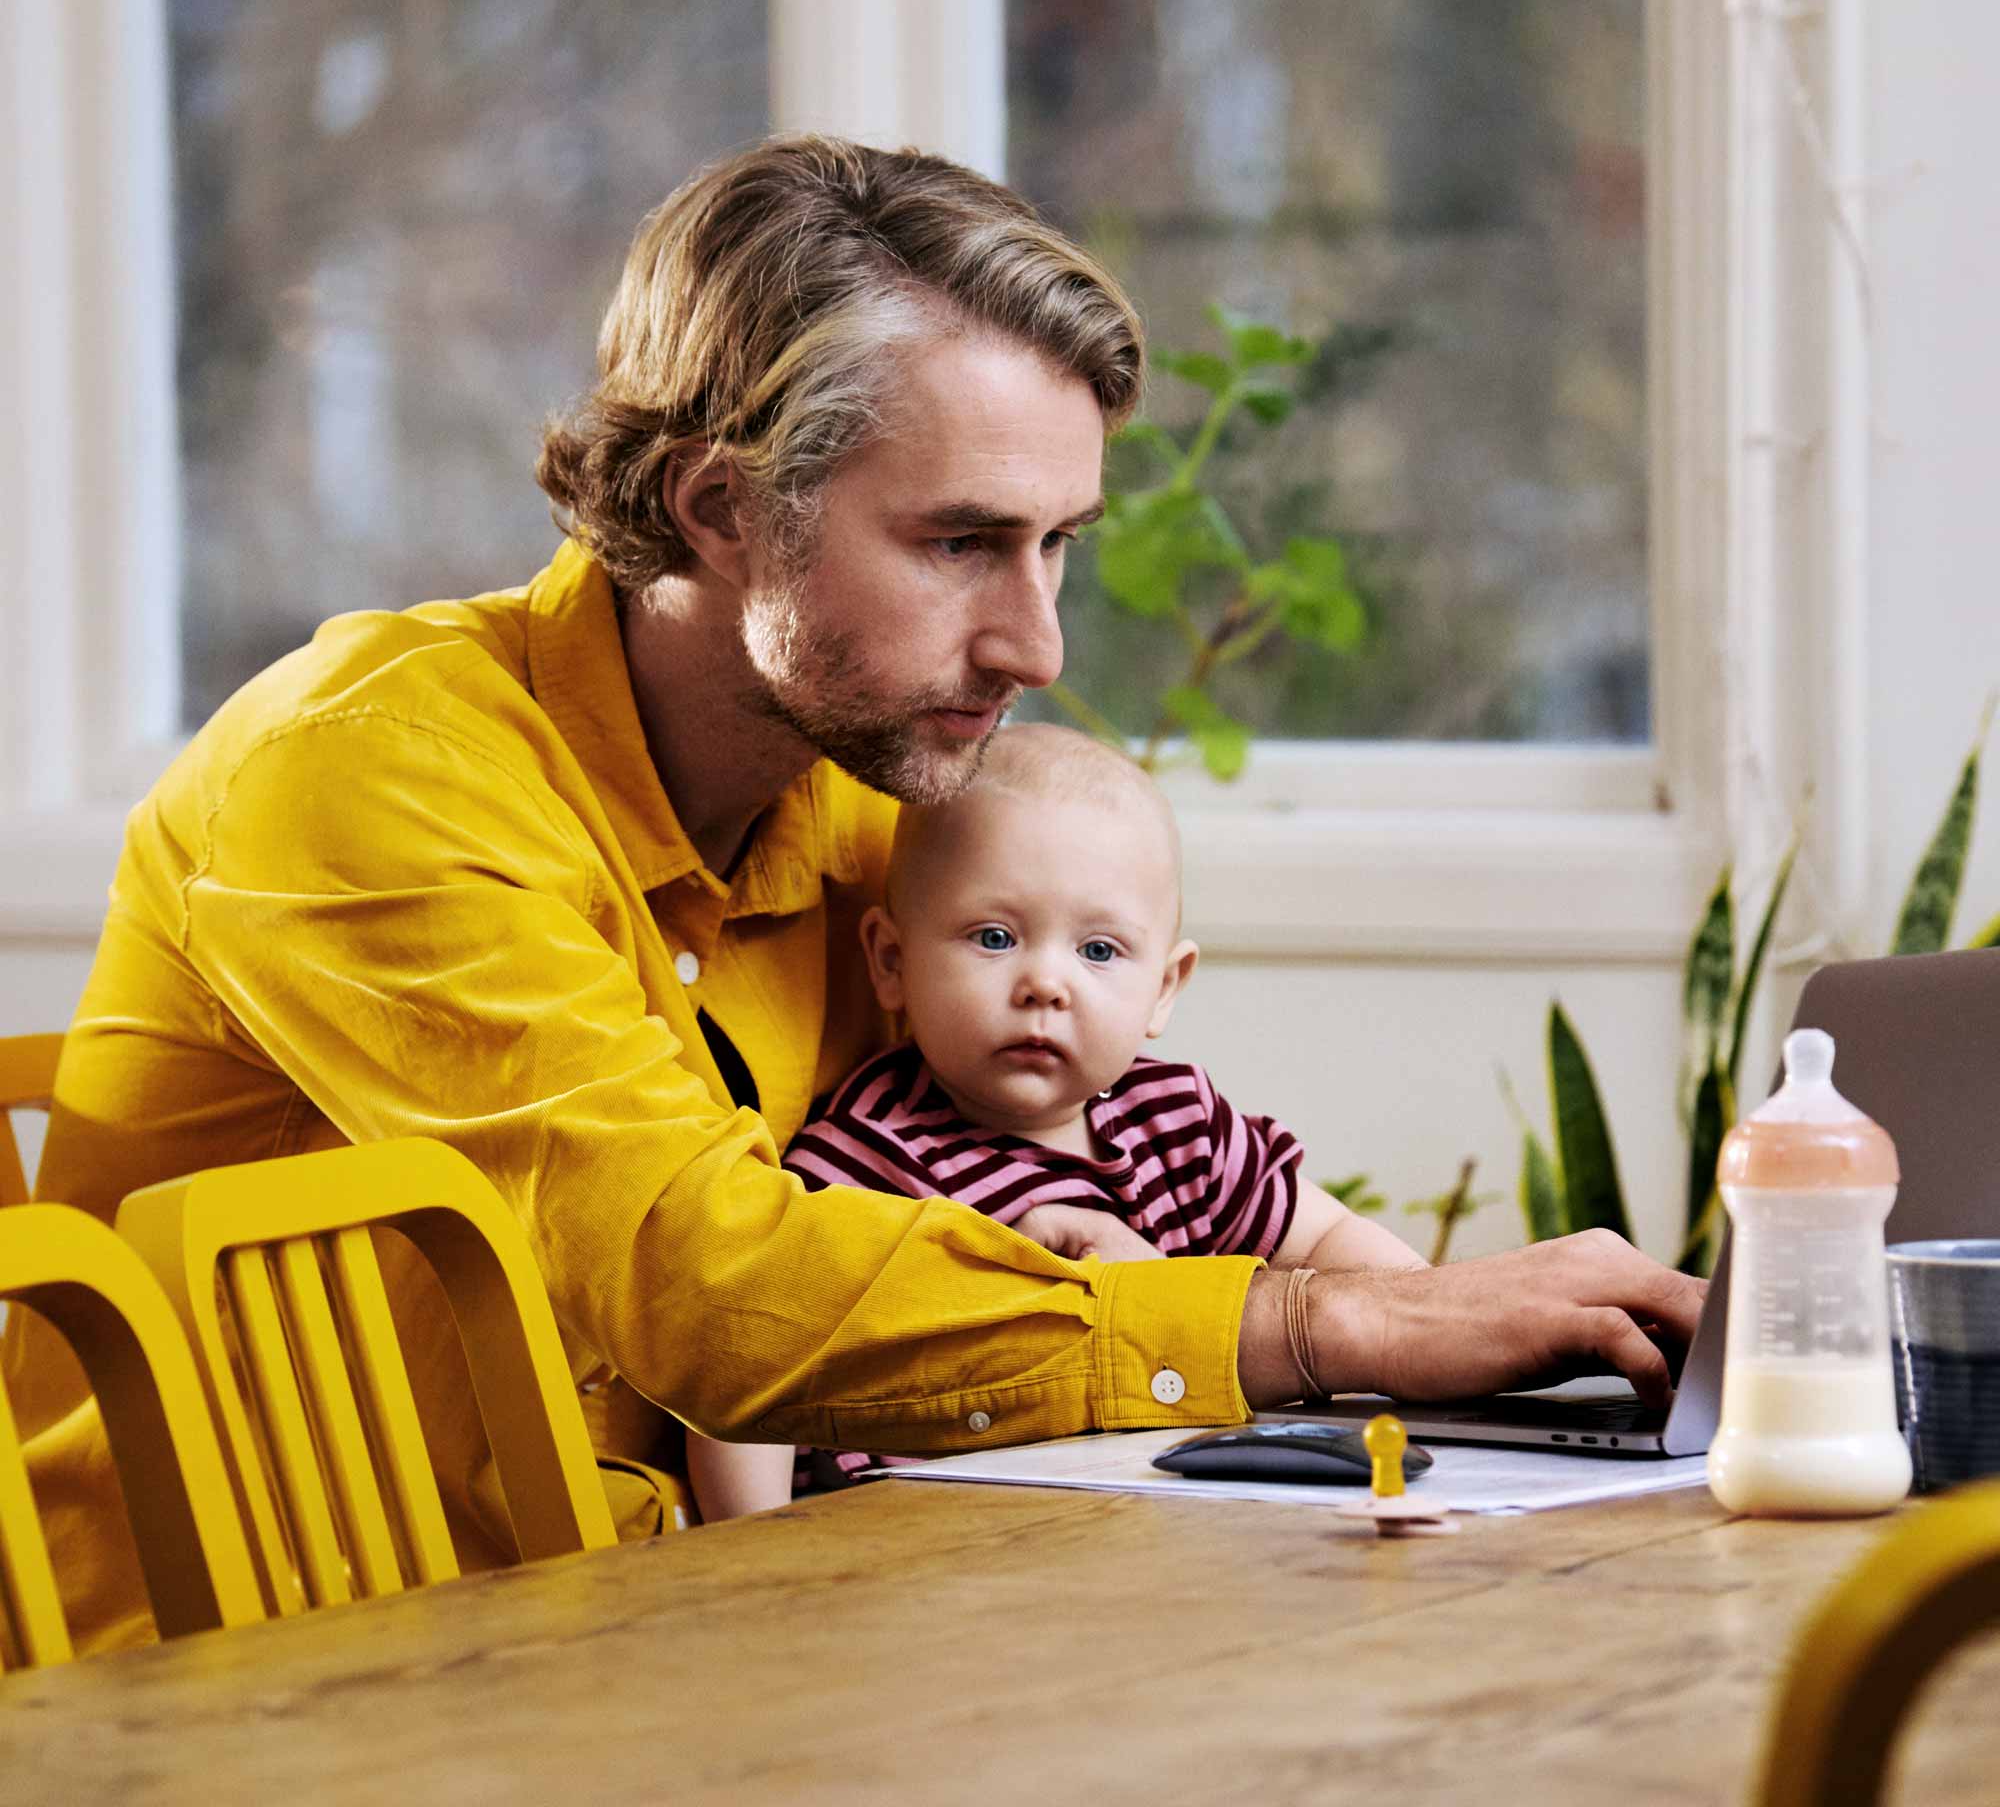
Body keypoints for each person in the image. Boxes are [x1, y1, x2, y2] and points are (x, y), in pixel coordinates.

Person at [5, 135, 1703, 1652]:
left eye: (1060, 547)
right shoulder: (370, 772)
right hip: (260, 1693)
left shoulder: (871, 793)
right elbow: (703, 1282)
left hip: (674, 1637)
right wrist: (1329, 1326)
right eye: (963, 543)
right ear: (725, 508)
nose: (1037, 644)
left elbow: (1057, 1165)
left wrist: (1418, 1305)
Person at [685, 724, 1428, 1521]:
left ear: (1166, 987)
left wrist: (1427, 1331)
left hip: (1161, 1528)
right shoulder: (867, 1161)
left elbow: (1333, 1246)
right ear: (892, 963)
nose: (1045, 982)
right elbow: (750, 1362)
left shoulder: (1181, 1124)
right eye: (995, 937)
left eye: (1100, 951)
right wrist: (754, 1543)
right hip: (923, 1547)